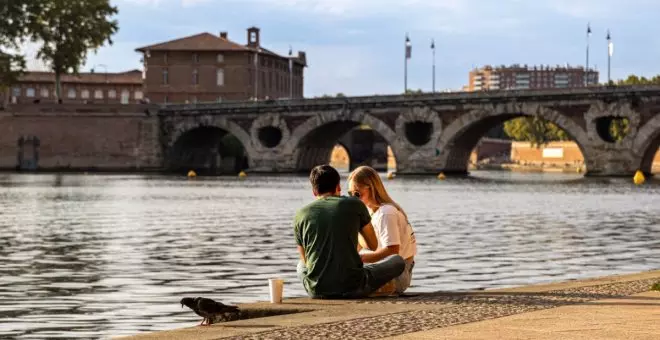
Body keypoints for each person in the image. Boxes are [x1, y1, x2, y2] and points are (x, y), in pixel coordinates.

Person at [294, 164, 406, 299]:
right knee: (398, 261)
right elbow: (372, 245)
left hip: (316, 290)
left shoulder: (300, 214)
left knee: (300, 265)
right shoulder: (355, 204)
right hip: (353, 287)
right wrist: (353, 226)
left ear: (314, 192)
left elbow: (305, 259)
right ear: (338, 187)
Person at [348, 166, 417, 294]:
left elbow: (392, 250)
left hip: (398, 274)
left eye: (357, 193)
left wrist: (360, 259)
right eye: (350, 194)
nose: (353, 198)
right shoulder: (369, 212)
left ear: (371, 188)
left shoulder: (386, 213)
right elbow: (358, 246)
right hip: (379, 269)